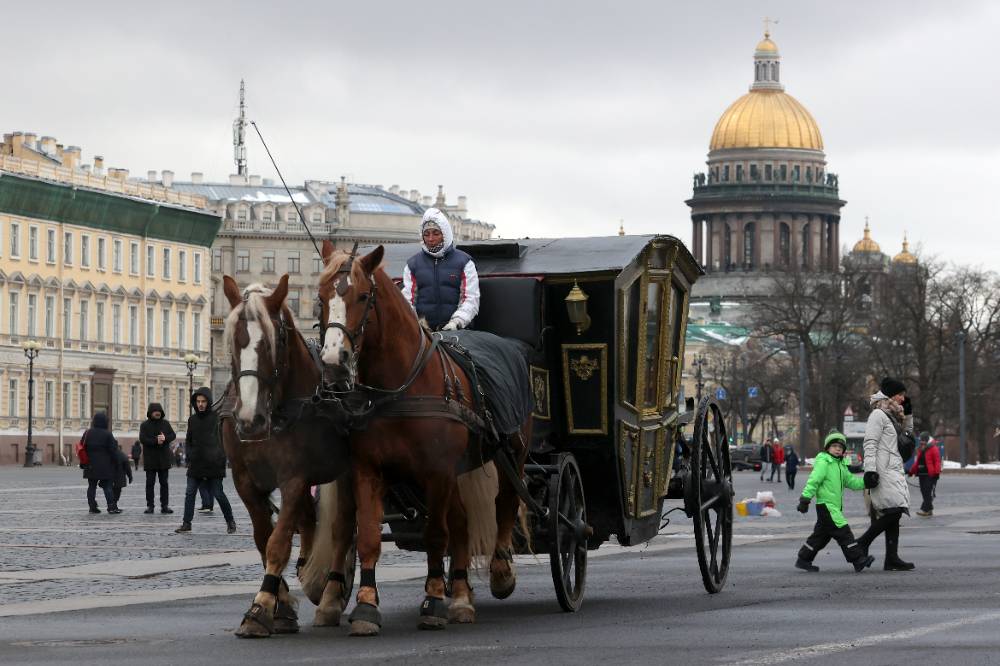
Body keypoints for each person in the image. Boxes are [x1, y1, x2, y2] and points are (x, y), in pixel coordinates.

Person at [856, 377, 915, 571]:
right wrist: (870, 470)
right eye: (900, 394)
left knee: (895, 511)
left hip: (893, 469)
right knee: (894, 510)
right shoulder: (878, 415)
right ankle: (862, 543)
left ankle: (891, 558)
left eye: (904, 395)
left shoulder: (895, 416)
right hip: (882, 470)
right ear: (890, 395)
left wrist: (909, 414)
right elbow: (870, 443)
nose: (902, 398)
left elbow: (907, 437)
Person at [794, 430, 874, 573]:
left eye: (840, 447)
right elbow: (814, 480)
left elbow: (851, 482)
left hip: (832, 506)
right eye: (834, 446)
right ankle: (858, 560)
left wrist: (866, 482)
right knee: (844, 532)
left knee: (820, 537)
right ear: (827, 448)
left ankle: (803, 559)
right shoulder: (824, 461)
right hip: (826, 505)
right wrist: (805, 499)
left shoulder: (840, 465)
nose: (837, 449)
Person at [401, 207, 480, 331]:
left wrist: (457, 322)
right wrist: (415, 323)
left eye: (436, 233)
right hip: (422, 334)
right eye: (426, 234)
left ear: (445, 233)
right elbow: (406, 301)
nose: (431, 239)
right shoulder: (413, 265)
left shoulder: (464, 262)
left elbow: (470, 299)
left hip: (459, 332)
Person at [175, 387, 237, 534]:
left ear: (208, 402)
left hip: (213, 464)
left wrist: (220, 458)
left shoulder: (216, 419)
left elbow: (223, 441)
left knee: (218, 494)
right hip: (196, 464)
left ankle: (230, 521)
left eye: (203, 401)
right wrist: (190, 454)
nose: (200, 404)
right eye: (198, 401)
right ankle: (186, 523)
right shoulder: (192, 420)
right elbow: (189, 440)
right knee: (190, 493)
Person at [139, 402, 176, 514]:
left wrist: (165, 438)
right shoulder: (144, 425)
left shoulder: (165, 424)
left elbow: (173, 435)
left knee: (164, 483)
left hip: (163, 459)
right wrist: (156, 440)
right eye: (155, 411)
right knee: (150, 483)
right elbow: (143, 439)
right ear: (150, 413)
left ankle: (164, 506)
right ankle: (150, 506)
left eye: (159, 411)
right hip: (150, 459)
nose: (157, 413)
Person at [82, 412, 121, 514]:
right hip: (105, 465)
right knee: (107, 486)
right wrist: (117, 463)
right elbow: (113, 450)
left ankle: (92, 506)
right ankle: (111, 507)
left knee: (91, 486)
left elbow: (82, 446)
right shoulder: (107, 434)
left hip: (90, 464)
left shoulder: (87, 433)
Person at [911, 431, 942, 517]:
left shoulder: (933, 448)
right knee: (924, 492)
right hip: (921, 474)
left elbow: (937, 462)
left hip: (930, 474)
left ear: (927, 440)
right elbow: (918, 462)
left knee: (927, 492)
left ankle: (926, 510)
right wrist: (911, 471)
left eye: (923, 440)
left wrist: (937, 473)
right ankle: (929, 509)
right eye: (921, 440)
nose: (922, 442)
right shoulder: (921, 449)